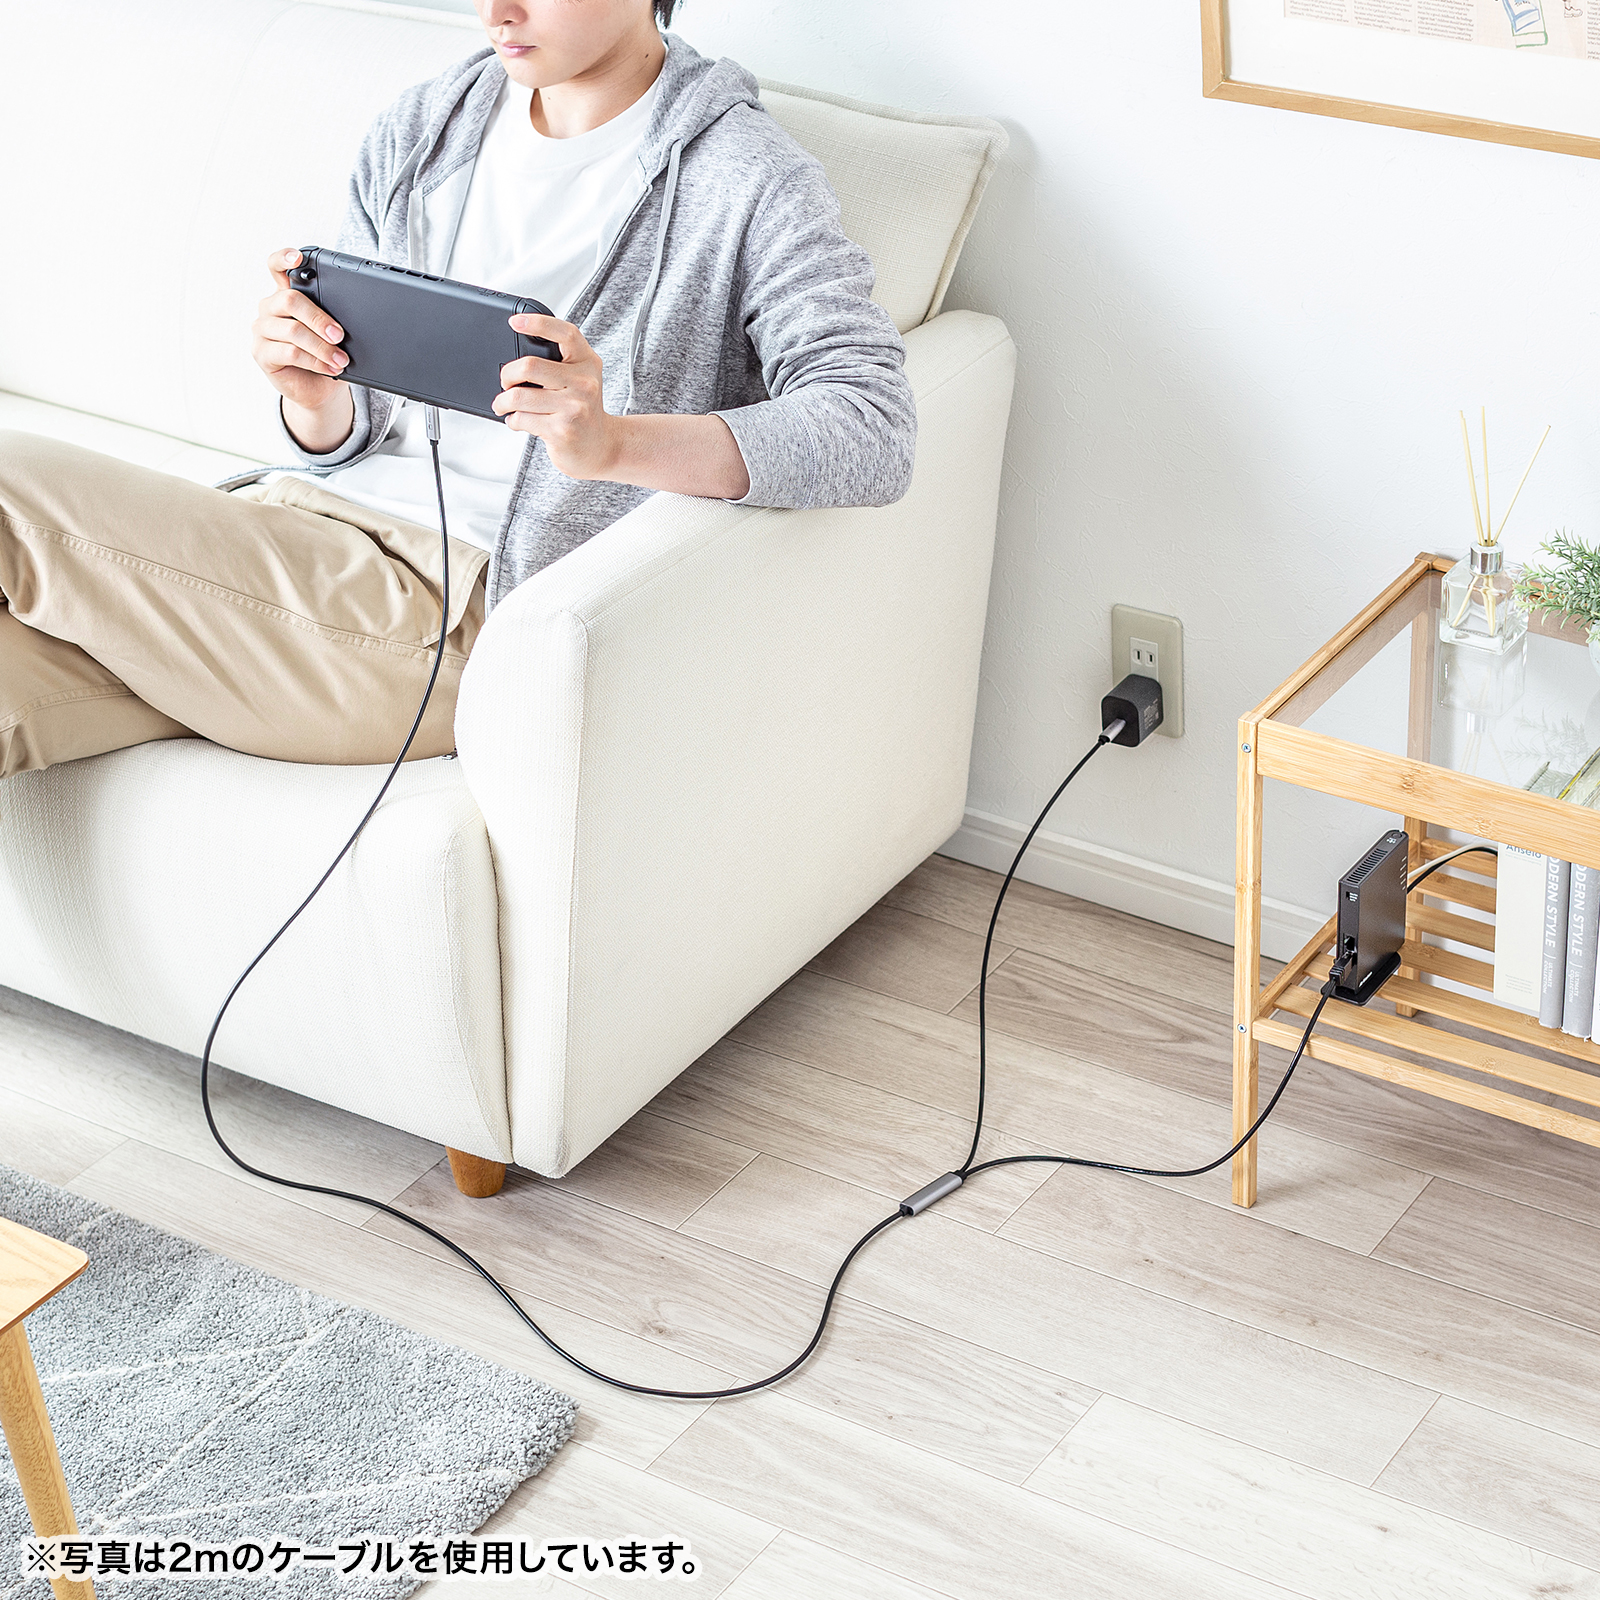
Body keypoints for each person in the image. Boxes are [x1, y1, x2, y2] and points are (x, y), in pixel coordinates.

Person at [0, 0, 915, 777]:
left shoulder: (746, 178)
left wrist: (613, 442)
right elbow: (361, 427)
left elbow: (872, 427)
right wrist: (314, 399)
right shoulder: (432, 123)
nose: (495, 11)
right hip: (304, 537)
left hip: (452, 612)